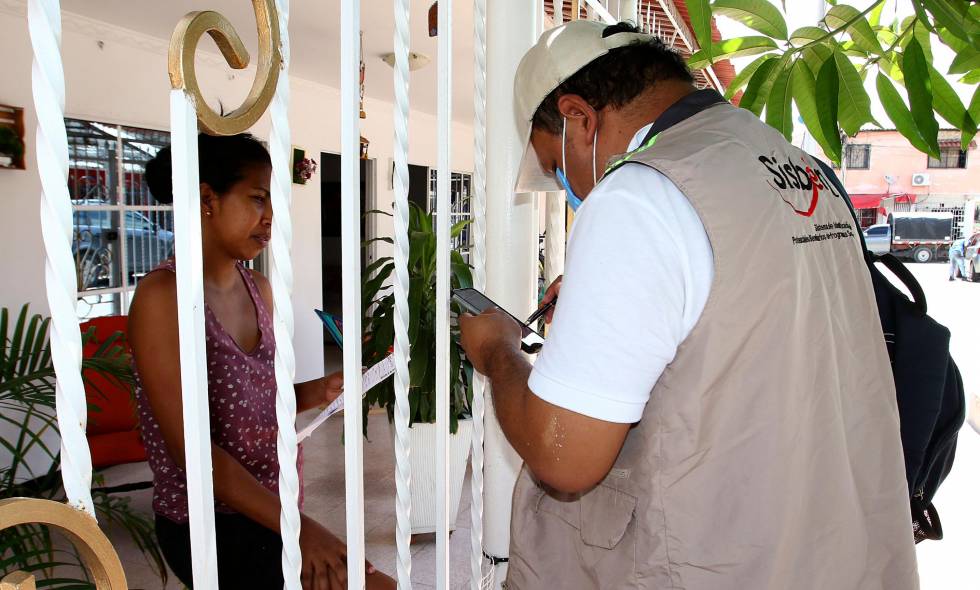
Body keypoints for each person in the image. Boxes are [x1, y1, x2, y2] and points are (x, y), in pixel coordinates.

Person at [459, 21, 918, 590]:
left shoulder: (638, 194)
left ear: (578, 117)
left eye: (556, 165)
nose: (568, 186)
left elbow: (564, 457)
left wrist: (500, 352)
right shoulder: (799, 166)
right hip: (832, 547)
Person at [130, 134, 394, 590]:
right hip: (208, 524)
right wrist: (301, 530)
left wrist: (321, 391)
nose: (270, 216)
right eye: (257, 198)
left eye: (273, 201)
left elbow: (256, 402)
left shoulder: (258, 289)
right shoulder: (164, 298)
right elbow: (193, 452)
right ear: (207, 200)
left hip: (270, 507)